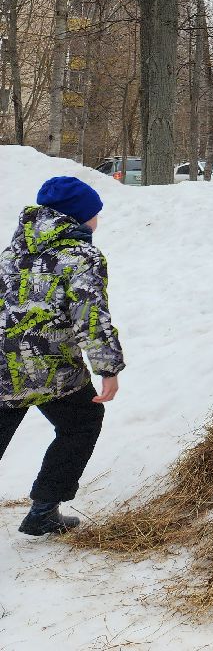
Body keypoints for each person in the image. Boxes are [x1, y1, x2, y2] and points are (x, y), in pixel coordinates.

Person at [0, 176, 124, 535]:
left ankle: (43, 512)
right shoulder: (81, 256)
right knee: (82, 421)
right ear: (78, 216)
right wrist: (108, 368)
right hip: (48, 366)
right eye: (94, 214)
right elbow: (91, 317)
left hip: (3, 366)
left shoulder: (14, 250)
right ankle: (43, 512)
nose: (97, 220)